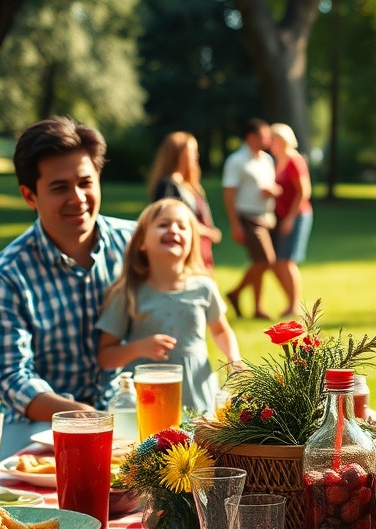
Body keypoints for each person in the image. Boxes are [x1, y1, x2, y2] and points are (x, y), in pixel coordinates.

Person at [0, 117, 135, 455]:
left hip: (129, 413)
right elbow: (13, 378)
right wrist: (85, 418)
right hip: (39, 424)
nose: (77, 198)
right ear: (29, 195)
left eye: (85, 182)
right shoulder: (5, 276)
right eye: (59, 187)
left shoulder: (137, 245)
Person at [96, 199, 243, 416]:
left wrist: (234, 359)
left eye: (182, 226)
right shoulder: (128, 293)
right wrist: (139, 347)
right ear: (141, 242)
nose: (173, 230)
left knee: (197, 448)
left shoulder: (203, 286)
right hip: (148, 401)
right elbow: (106, 356)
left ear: (192, 242)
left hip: (197, 395)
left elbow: (220, 330)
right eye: (163, 224)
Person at [222, 119, 280, 320]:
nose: (267, 140)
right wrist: (235, 224)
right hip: (247, 216)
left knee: (258, 262)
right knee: (266, 261)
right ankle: (235, 293)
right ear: (250, 137)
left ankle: (257, 308)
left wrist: (273, 191)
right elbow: (229, 194)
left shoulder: (267, 160)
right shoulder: (237, 161)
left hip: (267, 217)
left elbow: (272, 185)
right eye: (263, 136)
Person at [147, 132, 221, 270]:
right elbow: (165, 220)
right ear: (178, 154)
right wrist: (206, 232)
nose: (196, 156)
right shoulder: (168, 185)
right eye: (192, 151)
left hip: (201, 250)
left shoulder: (192, 185)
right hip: (183, 253)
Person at [268, 123, 312, 319]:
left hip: (297, 216)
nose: (270, 142)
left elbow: (304, 191)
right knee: (277, 263)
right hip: (281, 216)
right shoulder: (277, 161)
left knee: (287, 261)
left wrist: (290, 218)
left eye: (273, 138)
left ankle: (294, 305)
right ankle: (291, 302)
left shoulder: (295, 160)